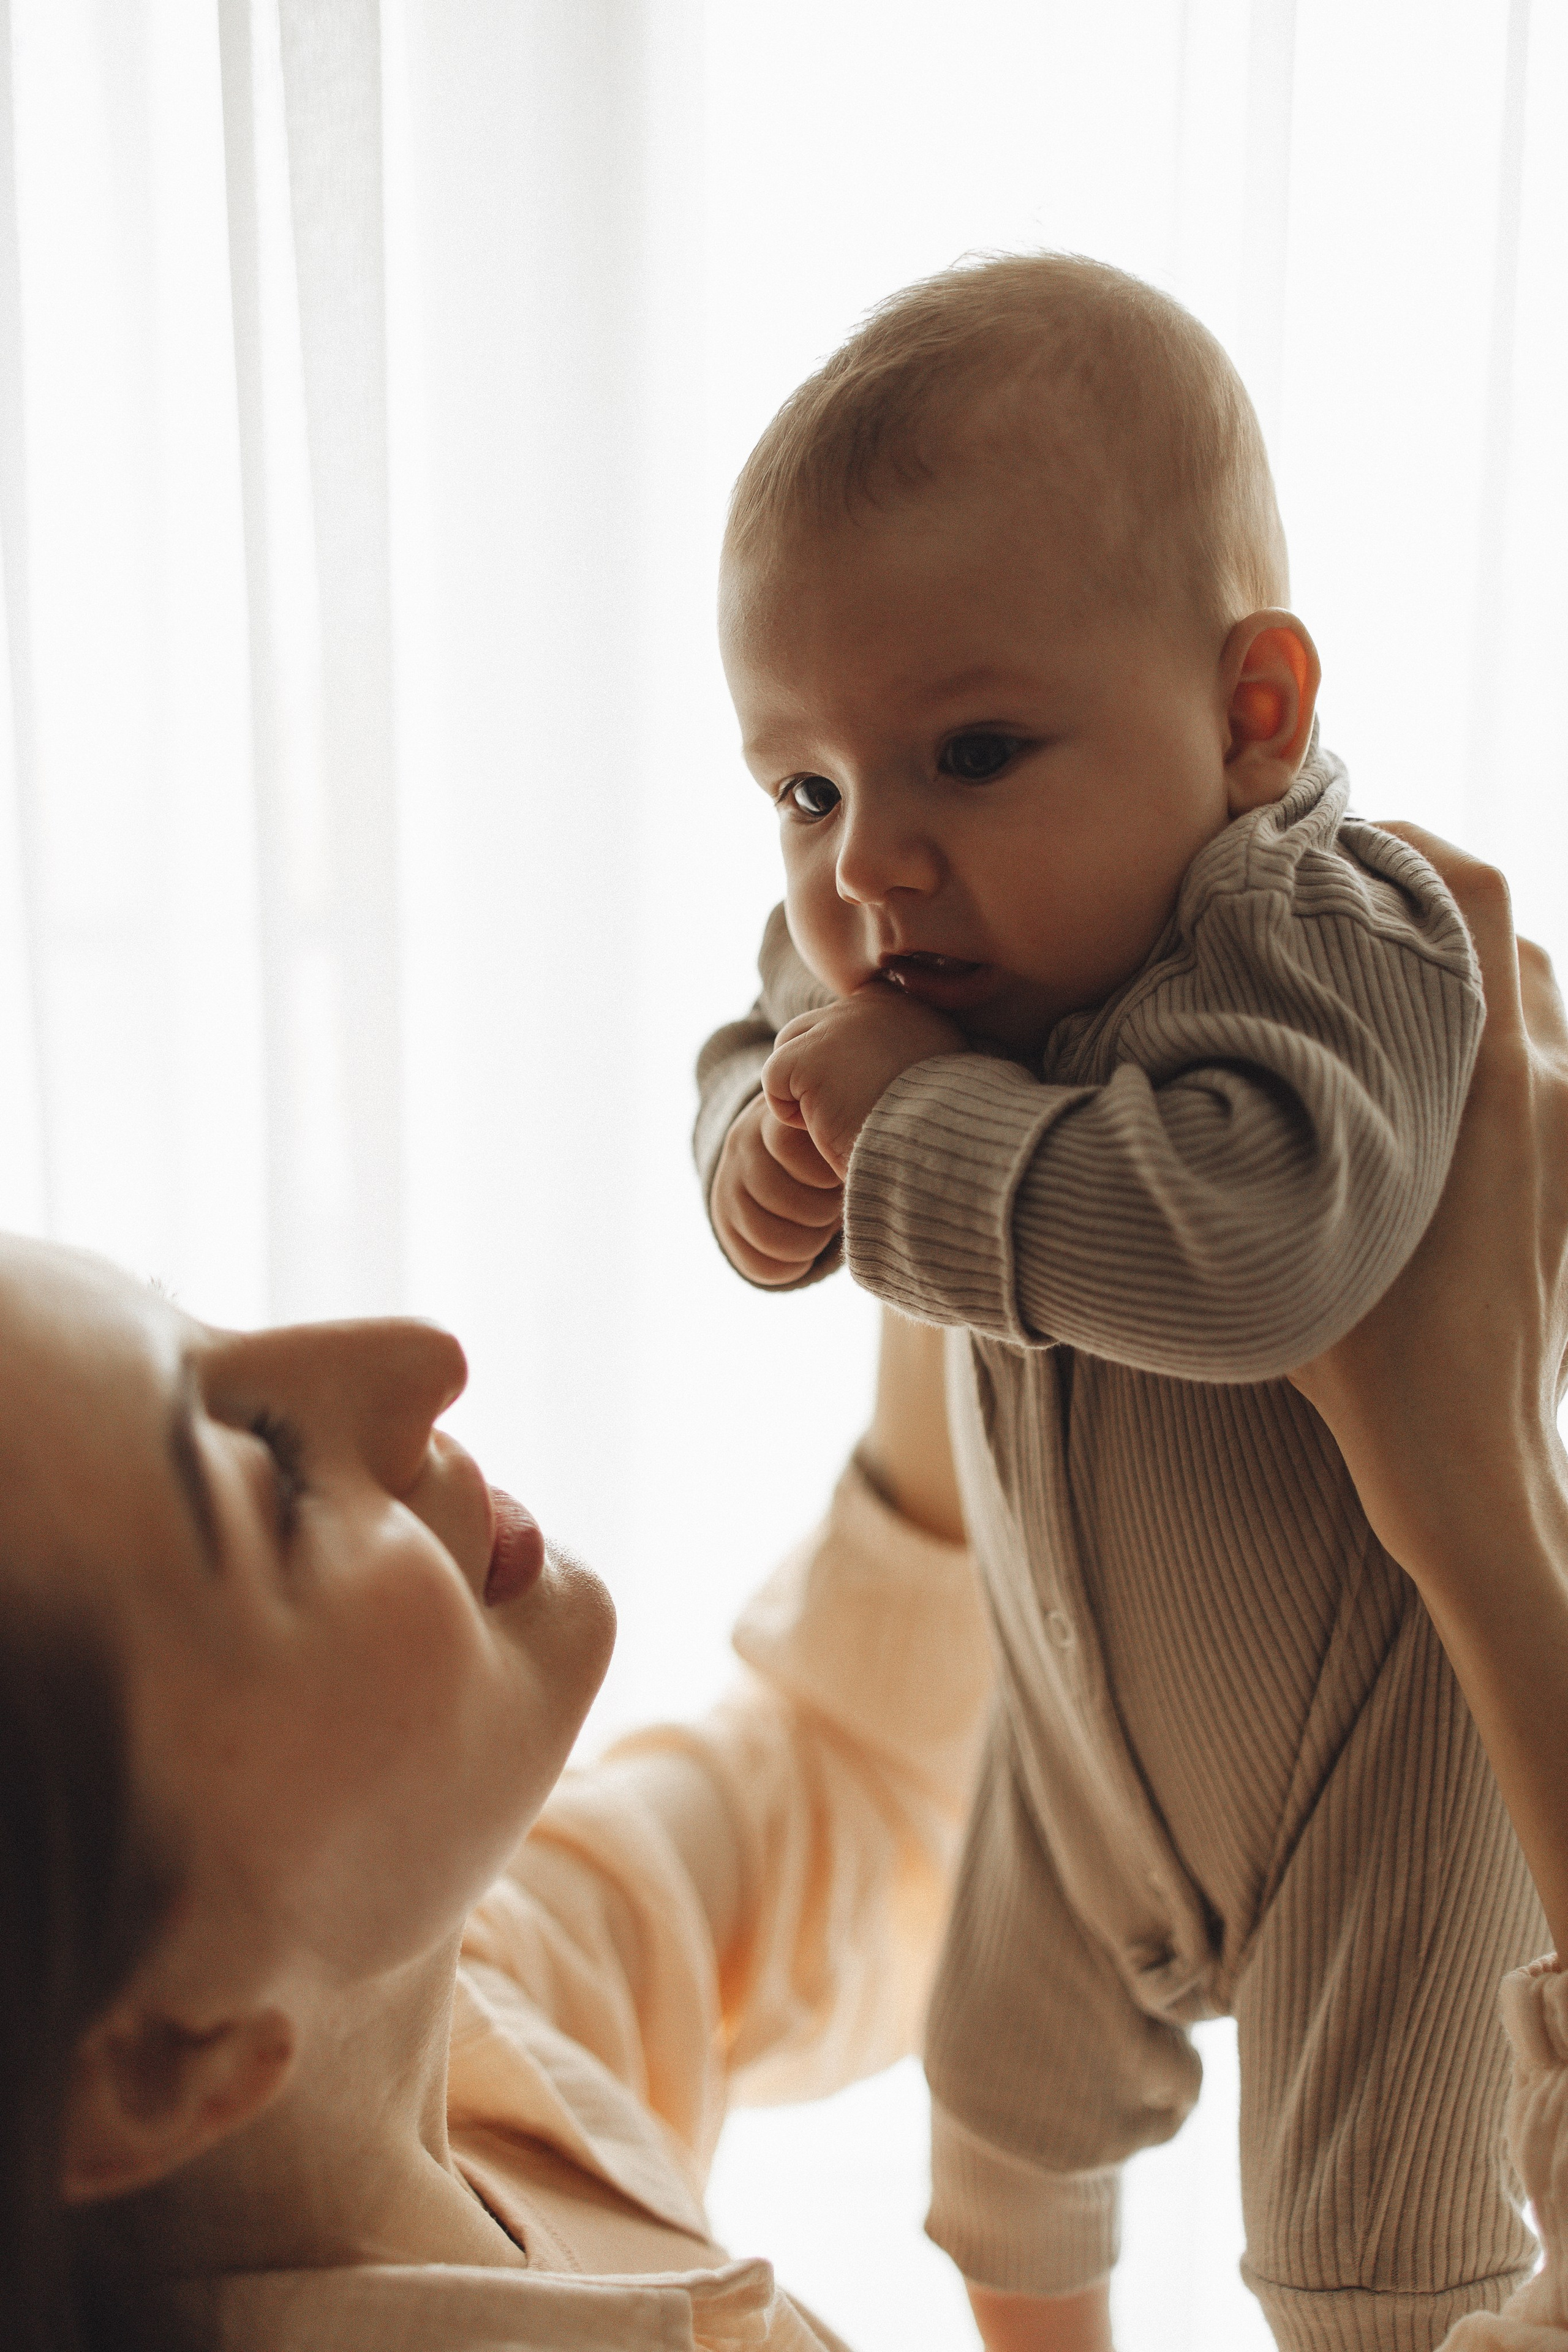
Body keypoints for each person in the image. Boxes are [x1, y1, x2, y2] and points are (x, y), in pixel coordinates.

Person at [0, 837, 1565, 2352]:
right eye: (262, 1479)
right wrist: (1490, 1530)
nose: (413, 1361)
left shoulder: (452, 2025)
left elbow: (847, 1774)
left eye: (189, 1320)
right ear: (155, 2061)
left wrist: (974, 1133)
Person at [693, 252, 1543, 2348]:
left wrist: (904, 1136)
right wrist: (772, 1159)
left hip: (1381, 1742)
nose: (868, 864)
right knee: (994, 2124)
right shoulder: (907, 958)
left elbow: (1260, 1252)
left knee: (1375, 2261)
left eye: (970, 751)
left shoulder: (1341, 931)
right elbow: (756, 1044)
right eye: (805, 787)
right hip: (1076, 1732)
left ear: (1253, 714)